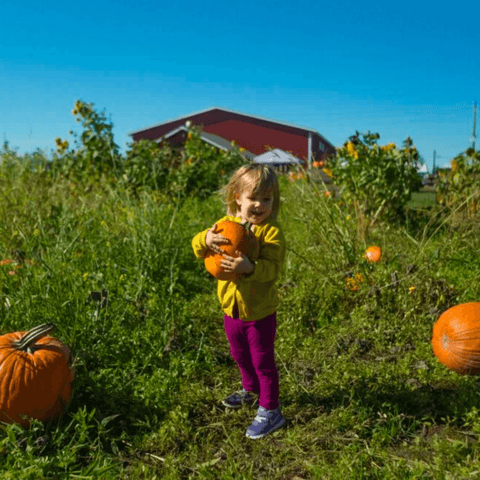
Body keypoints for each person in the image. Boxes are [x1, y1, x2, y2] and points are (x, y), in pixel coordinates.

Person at [192, 163, 286, 439]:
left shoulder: (271, 232)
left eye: (266, 199)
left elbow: (273, 269)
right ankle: (250, 390)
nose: (259, 205)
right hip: (231, 310)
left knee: (262, 362)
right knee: (239, 355)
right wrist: (205, 238)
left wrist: (251, 268)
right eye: (252, 198)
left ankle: (271, 410)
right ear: (237, 198)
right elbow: (197, 247)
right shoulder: (225, 225)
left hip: (259, 312)